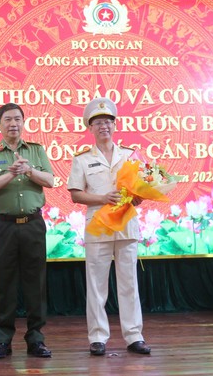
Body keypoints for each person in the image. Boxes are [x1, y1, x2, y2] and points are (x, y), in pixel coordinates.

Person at [67, 97, 151, 357]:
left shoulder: (129, 155)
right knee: (96, 285)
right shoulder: (82, 159)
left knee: (129, 283)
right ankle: (98, 337)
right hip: (98, 228)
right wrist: (102, 198)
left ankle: (134, 336)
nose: (104, 126)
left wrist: (139, 196)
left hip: (126, 226)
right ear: (90, 129)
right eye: (98, 123)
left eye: (108, 122)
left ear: (115, 126)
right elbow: (76, 194)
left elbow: (140, 189)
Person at [0, 103, 55, 359]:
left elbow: (50, 181)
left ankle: (36, 339)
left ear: (23, 123)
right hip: (3, 226)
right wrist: (10, 174)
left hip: (33, 225)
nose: (13, 124)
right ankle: (2, 340)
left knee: (36, 284)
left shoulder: (35, 150)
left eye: (18, 119)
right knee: (4, 284)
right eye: (8, 120)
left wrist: (29, 170)